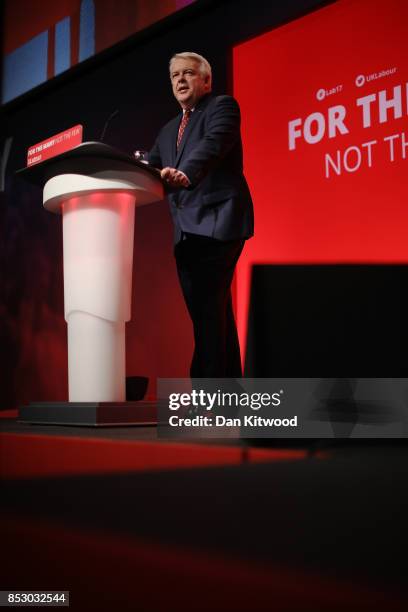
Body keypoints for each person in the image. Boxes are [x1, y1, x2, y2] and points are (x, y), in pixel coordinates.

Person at [148, 51, 254, 378]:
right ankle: (229, 397)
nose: (180, 80)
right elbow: (149, 167)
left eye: (188, 73)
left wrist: (185, 173)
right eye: (175, 75)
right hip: (185, 232)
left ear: (206, 80)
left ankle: (208, 396)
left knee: (208, 311)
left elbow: (212, 145)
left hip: (218, 222)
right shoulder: (167, 130)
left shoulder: (221, 107)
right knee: (213, 314)